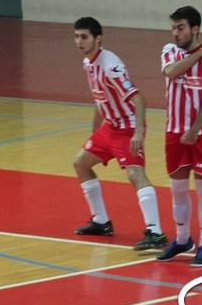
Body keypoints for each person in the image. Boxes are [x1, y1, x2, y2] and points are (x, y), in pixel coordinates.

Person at [71, 18, 166, 251]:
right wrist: (95, 130)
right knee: (81, 163)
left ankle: (155, 232)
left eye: (84, 37)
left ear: (98, 39)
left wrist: (138, 133)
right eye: (76, 36)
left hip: (127, 127)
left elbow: (139, 99)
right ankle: (101, 221)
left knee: (135, 174)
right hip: (110, 127)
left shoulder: (110, 66)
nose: (79, 41)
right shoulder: (88, 63)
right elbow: (99, 97)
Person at [156, 6, 202, 267]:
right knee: (178, 189)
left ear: (195, 29)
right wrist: (197, 55)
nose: (176, 33)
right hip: (174, 132)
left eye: (181, 27)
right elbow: (170, 72)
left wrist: (194, 130)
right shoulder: (169, 51)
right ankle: (183, 239)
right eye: (173, 28)